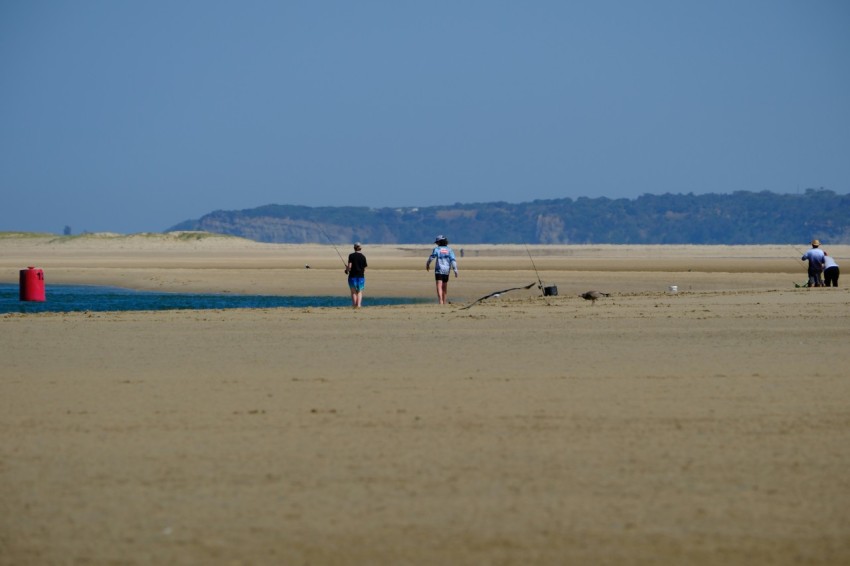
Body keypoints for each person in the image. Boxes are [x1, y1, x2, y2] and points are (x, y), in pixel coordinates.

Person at [426, 235, 458, 304]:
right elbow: (453, 260)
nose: (436, 244)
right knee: (444, 285)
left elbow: (432, 257)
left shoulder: (437, 249)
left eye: (437, 242)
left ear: (439, 242)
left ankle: (440, 301)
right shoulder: (450, 250)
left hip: (438, 269)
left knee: (439, 285)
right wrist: (455, 270)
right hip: (446, 270)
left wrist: (427, 264)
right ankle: (444, 301)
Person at [346, 242, 367, 308]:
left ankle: (354, 305)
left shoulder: (351, 256)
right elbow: (364, 268)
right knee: (359, 291)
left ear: (354, 248)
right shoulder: (363, 257)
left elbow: (349, 267)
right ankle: (359, 305)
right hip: (361, 277)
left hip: (352, 276)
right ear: (360, 248)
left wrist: (346, 270)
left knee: (353, 292)